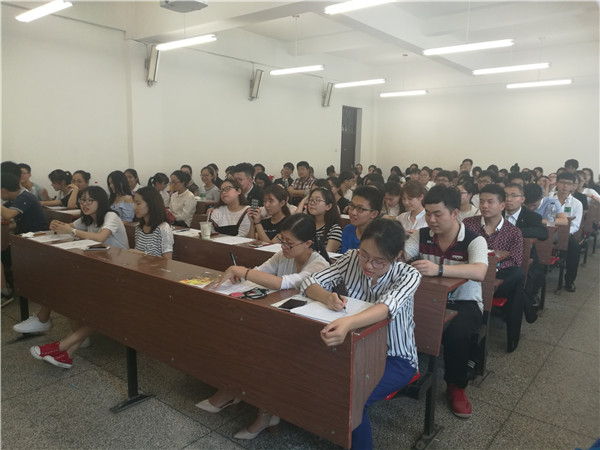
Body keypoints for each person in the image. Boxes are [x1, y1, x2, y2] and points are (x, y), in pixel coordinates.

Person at [198, 214, 330, 439]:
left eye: (289, 243)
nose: (283, 246)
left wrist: (241, 271)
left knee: (264, 350)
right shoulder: (283, 254)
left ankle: (266, 411)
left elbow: (284, 283)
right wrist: (240, 277)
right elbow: (261, 271)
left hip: (302, 333)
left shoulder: (319, 264)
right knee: (241, 336)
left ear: (308, 243)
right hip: (277, 321)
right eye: (282, 240)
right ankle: (233, 388)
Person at [301, 219, 421, 449]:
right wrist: (327, 297)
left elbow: (386, 308)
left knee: (354, 397)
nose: (368, 265)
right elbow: (309, 282)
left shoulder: (408, 275)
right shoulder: (351, 259)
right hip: (355, 348)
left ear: (397, 256)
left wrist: (347, 323)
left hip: (395, 358)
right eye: (364, 254)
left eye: (378, 261)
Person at [28, 187, 171, 369]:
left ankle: (62, 346)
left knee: (107, 307)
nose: (134, 207)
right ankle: (67, 353)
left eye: (138, 203)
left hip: (153, 283)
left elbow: (168, 263)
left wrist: (141, 255)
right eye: (134, 203)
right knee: (99, 303)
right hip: (133, 277)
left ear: (151, 204)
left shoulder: (163, 228)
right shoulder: (140, 227)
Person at [405, 185, 488, 419]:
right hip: (427, 298)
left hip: (464, 302)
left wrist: (439, 269)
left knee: (457, 333)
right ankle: (404, 371)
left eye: (438, 214)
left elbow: (480, 271)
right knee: (396, 318)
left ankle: (456, 386)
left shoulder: (474, 240)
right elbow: (403, 255)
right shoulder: (420, 235)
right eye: (428, 213)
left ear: (454, 213)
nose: (431, 220)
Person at [14, 186, 129, 336]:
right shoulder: (87, 217)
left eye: (90, 200)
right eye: (82, 200)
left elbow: (100, 237)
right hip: (98, 262)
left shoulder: (110, 216)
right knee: (60, 275)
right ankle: (49, 320)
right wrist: (57, 225)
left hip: (118, 268)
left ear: (100, 202)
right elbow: (67, 227)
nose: (85, 204)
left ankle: (47, 320)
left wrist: (72, 231)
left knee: (67, 281)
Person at [463, 184, 536, 351]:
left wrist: (493, 268)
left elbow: (515, 261)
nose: (484, 206)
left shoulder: (513, 232)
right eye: (482, 201)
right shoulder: (468, 224)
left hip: (499, 278)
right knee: (517, 288)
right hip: (471, 274)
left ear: (502, 205)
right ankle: (512, 336)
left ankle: (479, 344)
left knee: (517, 273)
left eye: (490, 202)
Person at [549, 172, 583, 292]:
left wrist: (564, 232)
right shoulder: (548, 199)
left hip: (566, 234)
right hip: (548, 230)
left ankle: (569, 280)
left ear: (573, 186)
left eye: (568, 184)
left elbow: (576, 225)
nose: (565, 186)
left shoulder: (577, 203)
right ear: (557, 183)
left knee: (575, 246)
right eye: (562, 182)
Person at [341, 186, 382, 253]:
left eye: (360, 209)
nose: (353, 212)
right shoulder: (348, 230)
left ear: (374, 214)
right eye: (352, 206)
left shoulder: (380, 238)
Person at [306, 187, 343, 253]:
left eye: (317, 200)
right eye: (311, 199)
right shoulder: (305, 225)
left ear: (328, 206)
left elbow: (326, 256)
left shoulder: (335, 229)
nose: (312, 203)